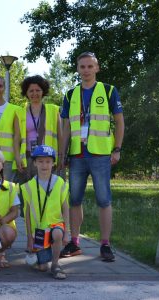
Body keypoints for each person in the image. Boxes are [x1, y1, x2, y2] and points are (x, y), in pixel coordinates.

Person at [58, 52, 124, 262]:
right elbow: (66, 127)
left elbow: (120, 122)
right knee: (74, 199)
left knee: (104, 200)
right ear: (77, 69)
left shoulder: (108, 90)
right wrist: (62, 153)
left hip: (100, 154)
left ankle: (105, 244)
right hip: (77, 155)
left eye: (89, 66)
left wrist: (117, 149)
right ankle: (74, 242)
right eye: (82, 67)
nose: (85, 70)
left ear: (97, 68)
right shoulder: (70, 94)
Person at [20, 145, 69, 279]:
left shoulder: (59, 182)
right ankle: (39, 259)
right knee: (42, 268)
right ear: (34, 163)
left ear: (53, 163)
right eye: (40, 161)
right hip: (39, 232)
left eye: (48, 161)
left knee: (58, 233)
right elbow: (27, 215)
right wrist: (29, 237)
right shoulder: (28, 186)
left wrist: (67, 233)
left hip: (55, 224)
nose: (44, 165)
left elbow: (65, 208)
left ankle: (55, 264)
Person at [15, 75, 62, 182]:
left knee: (47, 192)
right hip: (28, 158)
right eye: (31, 90)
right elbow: (17, 138)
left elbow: (60, 136)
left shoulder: (53, 110)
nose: (34, 93)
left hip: (48, 158)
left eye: (38, 90)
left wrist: (60, 157)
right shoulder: (20, 112)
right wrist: (18, 158)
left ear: (43, 91)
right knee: (27, 192)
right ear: (26, 92)